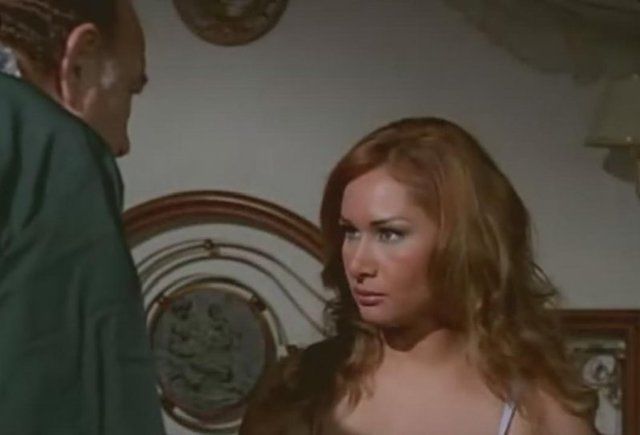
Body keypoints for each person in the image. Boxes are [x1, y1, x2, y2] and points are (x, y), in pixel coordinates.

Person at [240, 117, 597, 434]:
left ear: (462, 242)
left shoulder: (536, 410)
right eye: (350, 232)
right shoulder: (301, 389)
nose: (358, 264)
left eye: (389, 234)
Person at [0, 0, 164, 433]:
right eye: (130, 90)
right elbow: (76, 403)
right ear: (80, 64)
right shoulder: (49, 147)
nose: (123, 144)